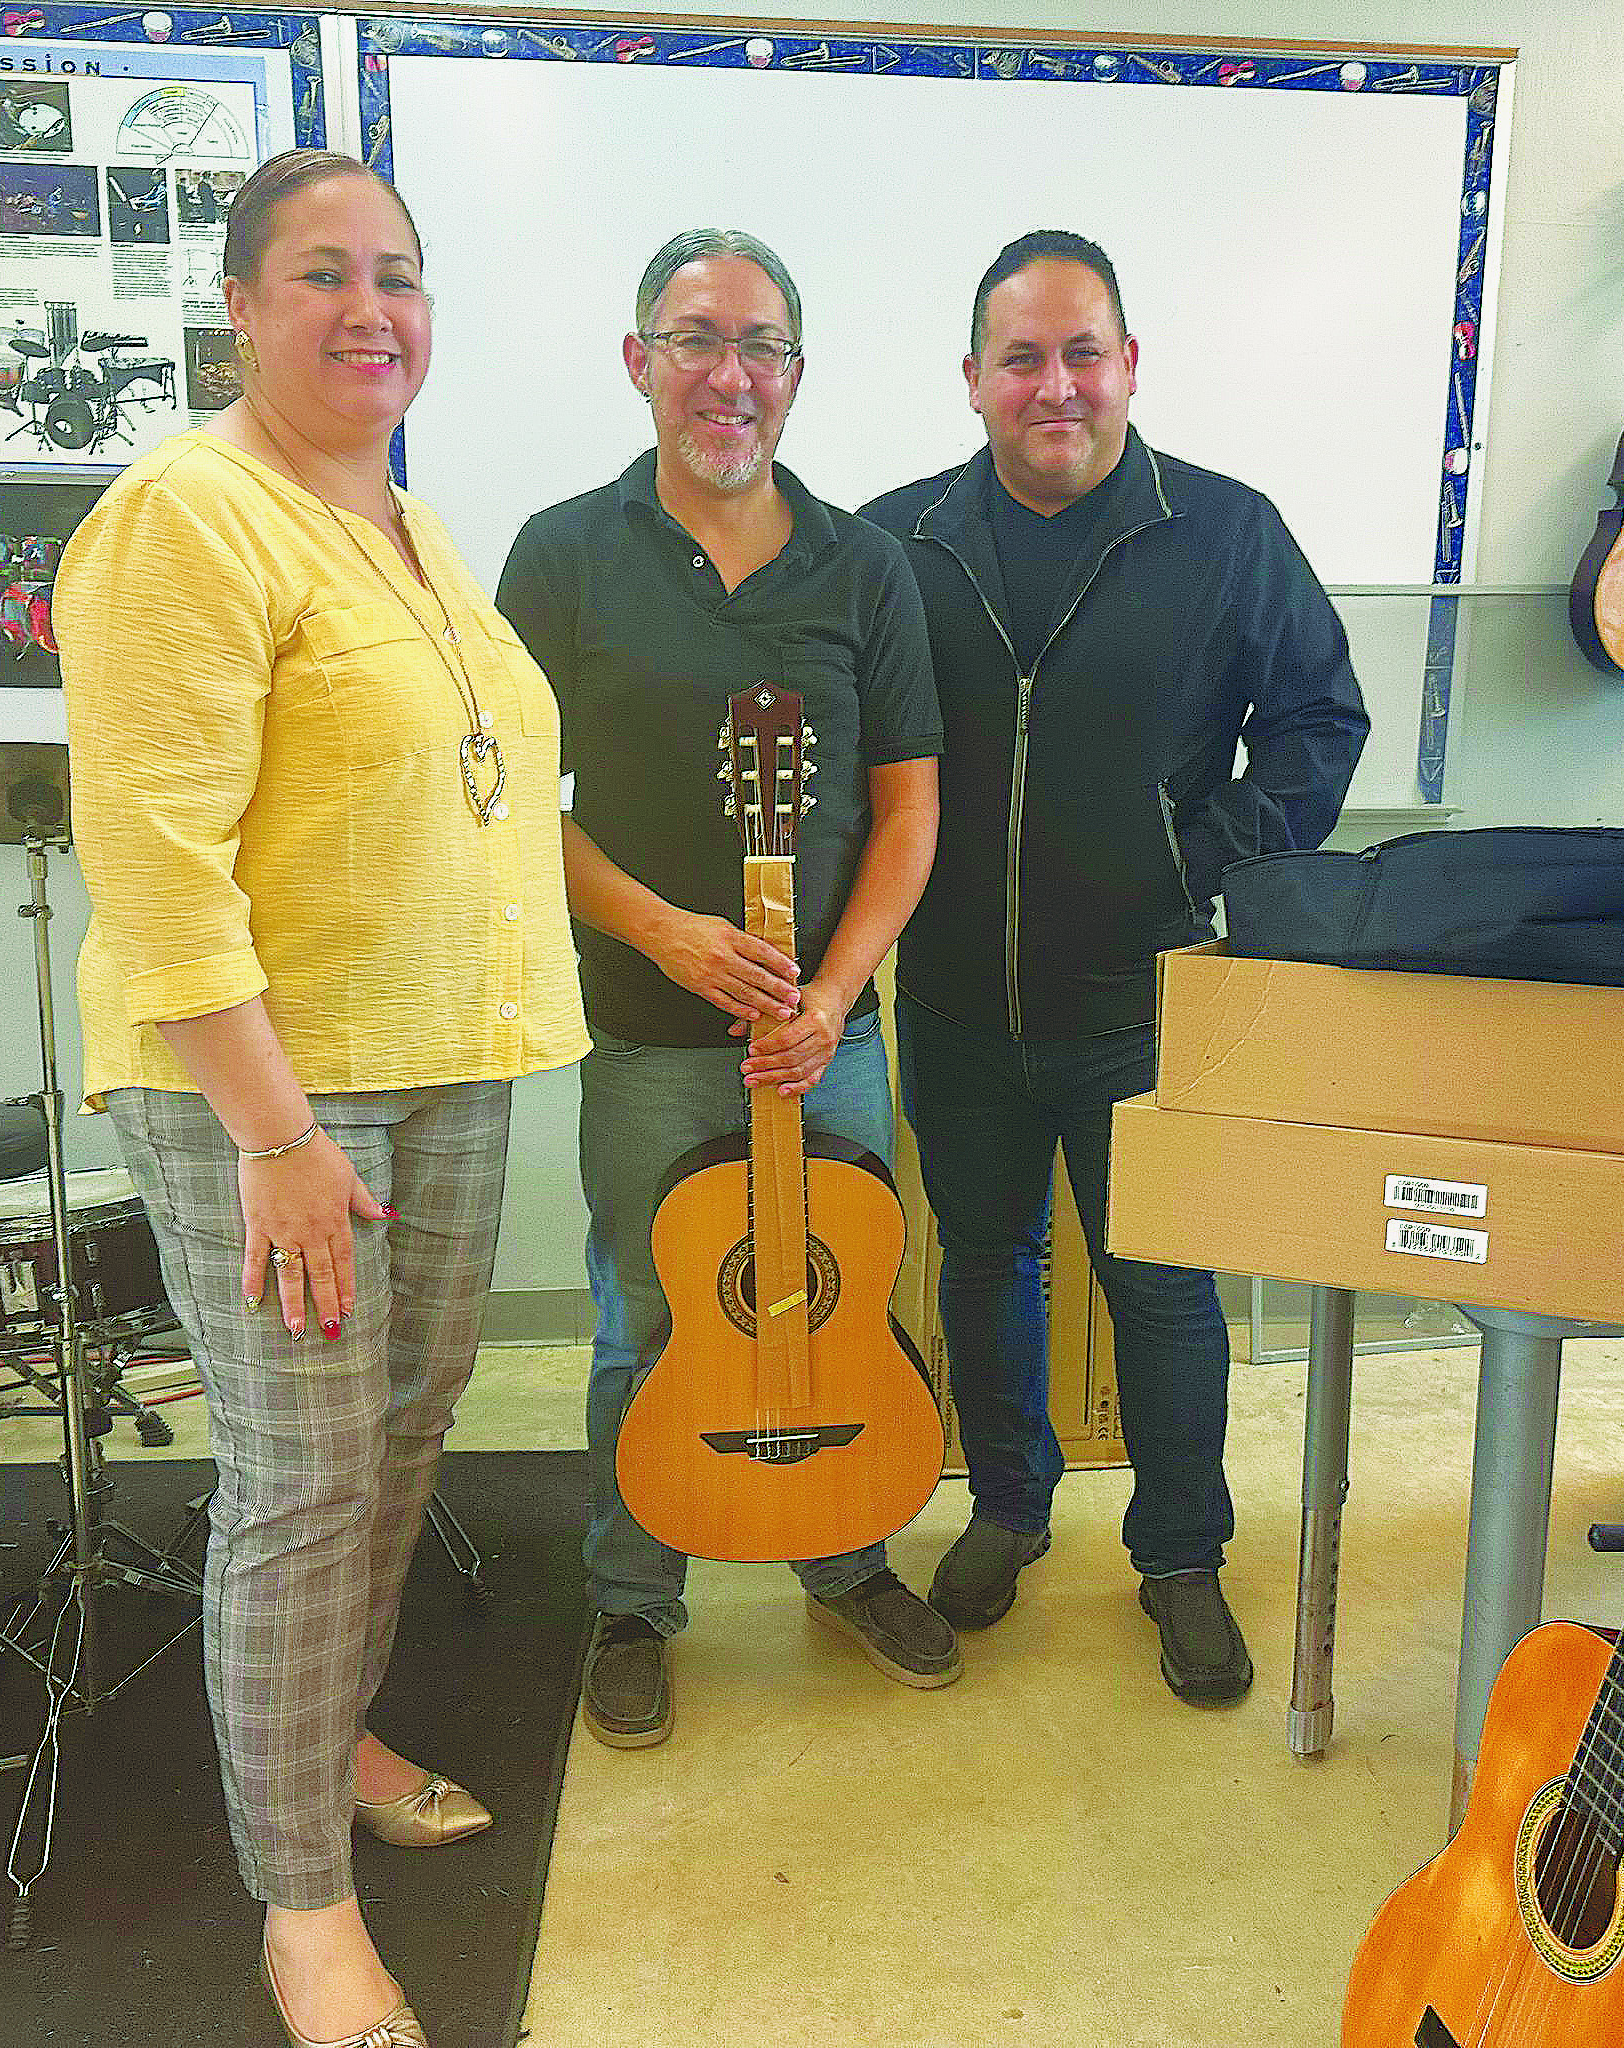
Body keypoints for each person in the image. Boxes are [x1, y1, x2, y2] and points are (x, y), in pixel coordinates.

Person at [55, 148, 586, 2048]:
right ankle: (302, 1908)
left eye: (404, 275)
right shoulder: (185, 520)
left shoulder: (414, 531)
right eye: (324, 275)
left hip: (448, 1052)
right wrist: (275, 1139)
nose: (374, 308)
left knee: (409, 1430)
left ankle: (328, 1735)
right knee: (302, 1480)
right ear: (240, 306)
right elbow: (157, 860)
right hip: (268, 1088)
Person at [861, 229, 1369, 1706]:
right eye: (1022, 357)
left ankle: (1182, 1553)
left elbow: (1318, 722)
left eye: (1085, 353)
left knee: (1160, 1288)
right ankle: (1010, 1506)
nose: (1056, 385)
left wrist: (1198, 859)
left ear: (1132, 366)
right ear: (973, 380)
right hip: (951, 1002)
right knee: (984, 1262)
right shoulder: (898, 544)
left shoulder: (1224, 531)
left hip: (1138, 1005)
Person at [497, 228, 956, 1750]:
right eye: (697, 339)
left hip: (832, 1039)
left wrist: (834, 991)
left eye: (761, 345)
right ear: (640, 362)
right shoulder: (562, 555)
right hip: (643, 1037)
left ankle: (847, 1556)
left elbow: (907, 810)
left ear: (797, 377)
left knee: (844, 1298)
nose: (730, 374)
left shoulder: (865, 565)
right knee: (646, 1316)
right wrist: (664, 932)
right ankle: (635, 1600)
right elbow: (504, 802)